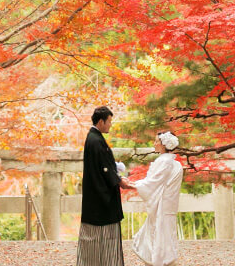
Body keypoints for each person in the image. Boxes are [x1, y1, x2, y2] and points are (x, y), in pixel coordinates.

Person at [78, 106, 132, 266]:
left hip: (95, 196)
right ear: (101, 121)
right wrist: (119, 181)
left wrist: (116, 173)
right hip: (100, 198)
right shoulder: (96, 140)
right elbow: (104, 168)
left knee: (96, 238)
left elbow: (105, 165)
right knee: (102, 236)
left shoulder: (94, 138)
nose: (110, 125)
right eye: (109, 122)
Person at [131, 131, 184, 266]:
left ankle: (160, 261)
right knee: (165, 233)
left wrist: (133, 185)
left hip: (162, 205)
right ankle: (166, 260)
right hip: (169, 205)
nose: (154, 144)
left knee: (159, 232)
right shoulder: (174, 162)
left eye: (156, 141)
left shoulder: (164, 161)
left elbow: (153, 182)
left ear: (164, 144)